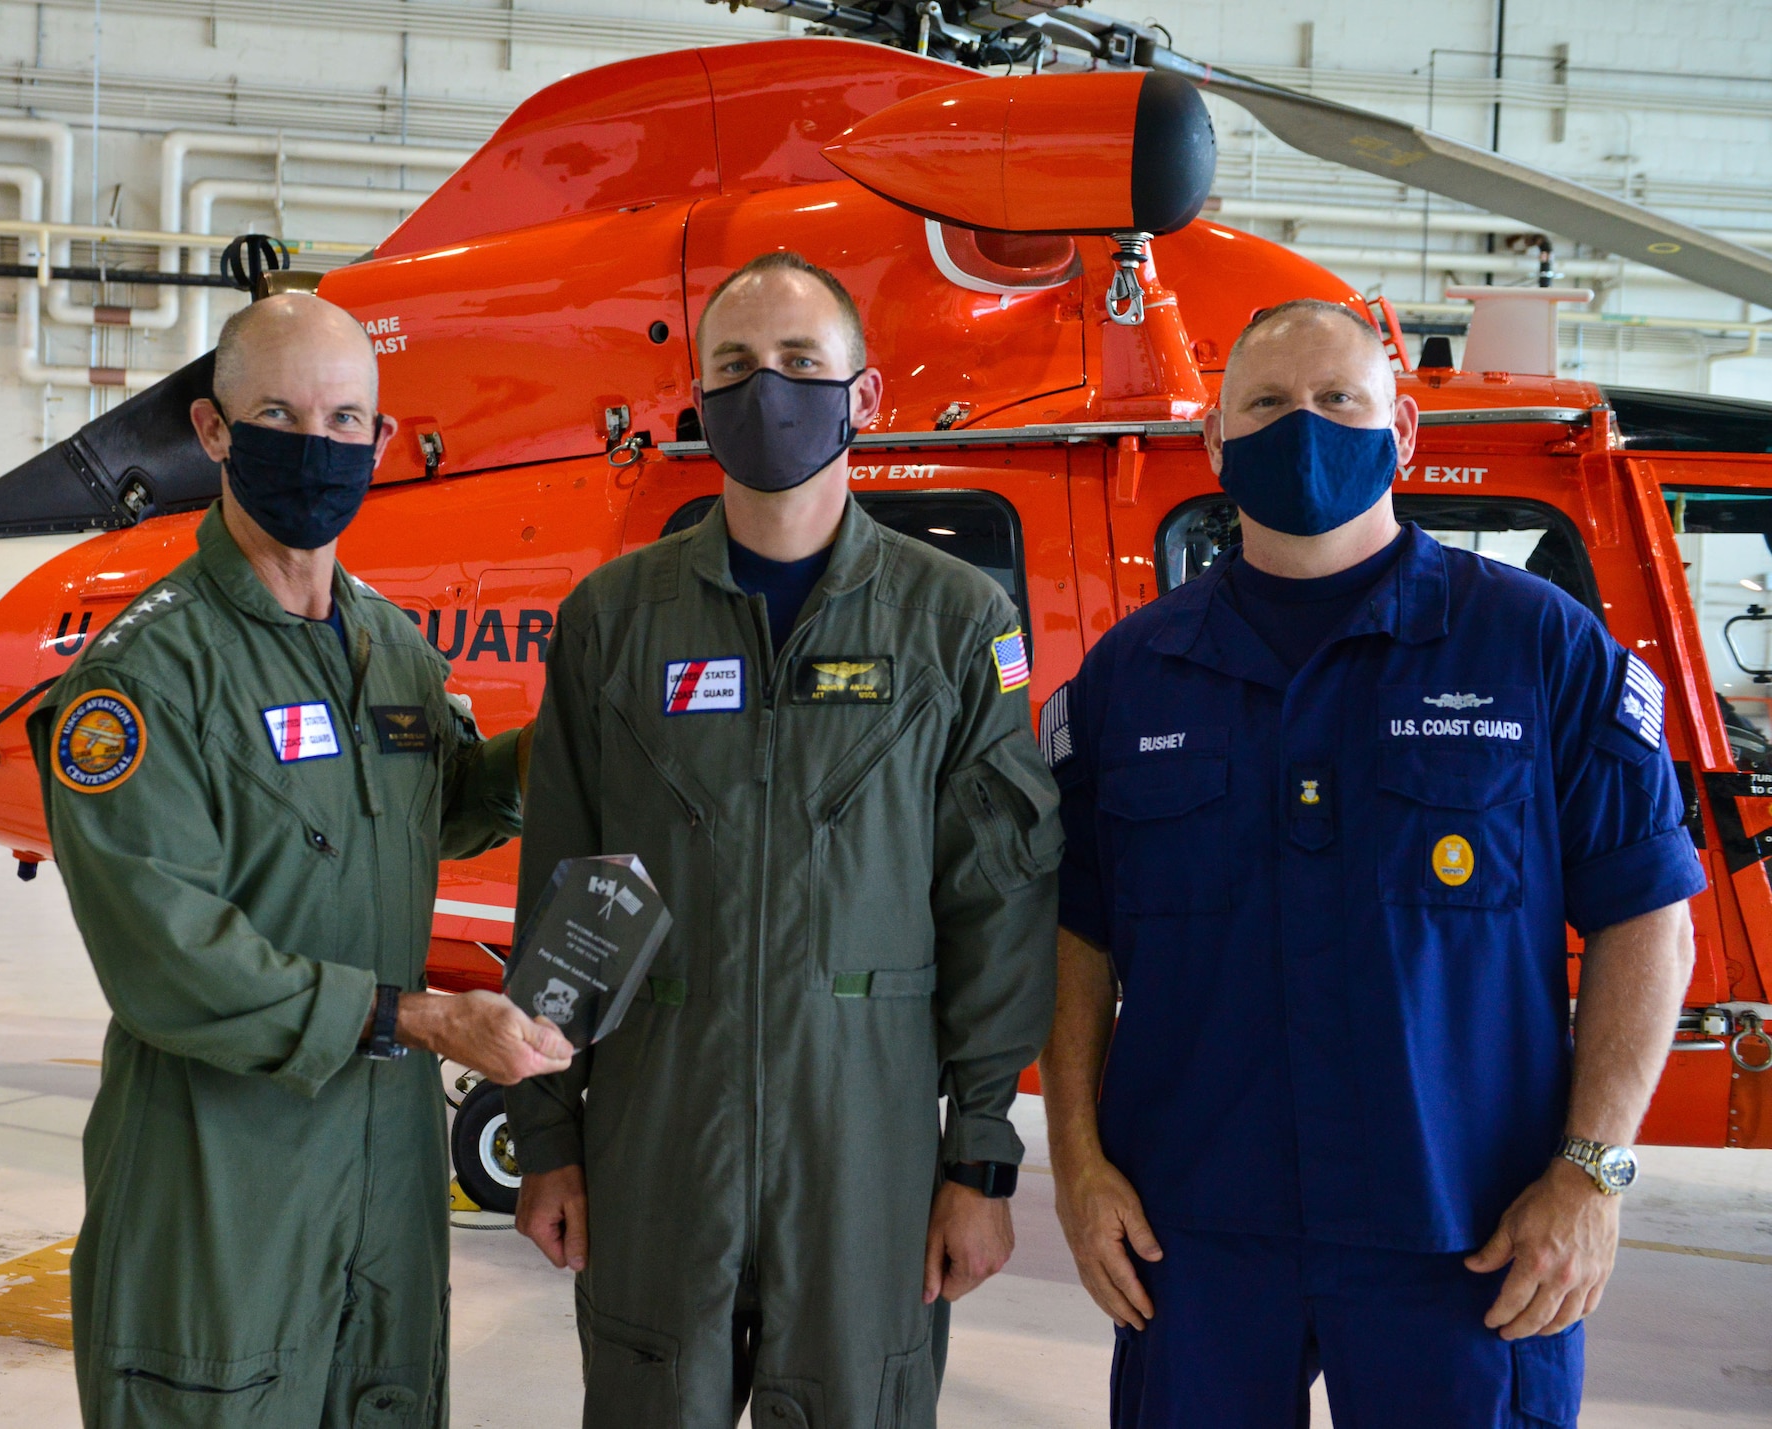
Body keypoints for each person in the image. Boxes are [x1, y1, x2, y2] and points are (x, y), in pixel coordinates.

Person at [1038, 298, 1704, 1428]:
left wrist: (1593, 1173)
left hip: (1469, 1236)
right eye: (1264, 403)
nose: (1301, 426)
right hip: (1193, 1239)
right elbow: (1075, 937)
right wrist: (1075, 1165)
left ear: (1399, 433)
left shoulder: (1534, 646)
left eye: (1335, 401)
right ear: (1212, 442)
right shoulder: (1132, 675)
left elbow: (1650, 916)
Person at [505, 251, 1061, 1428]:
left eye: (801, 364)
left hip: (864, 1153)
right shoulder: (614, 620)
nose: (769, 390)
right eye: (737, 368)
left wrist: (978, 1161)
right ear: (699, 403)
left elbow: (993, 904)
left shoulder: (955, 623)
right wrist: (548, 1136)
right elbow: (565, 894)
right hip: (659, 1140)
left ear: (862, 396)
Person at [27, 292, 574, 1429]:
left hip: (383, 1165)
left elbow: (447, 801)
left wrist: (570, 730)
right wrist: (421, 1020)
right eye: (276, 413)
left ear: (380, 443)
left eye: (341, 421)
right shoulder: (145, 679)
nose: (313, 446)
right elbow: (167, 958)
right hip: (218, 1171)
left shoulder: (391, 649)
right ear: (214, 432)